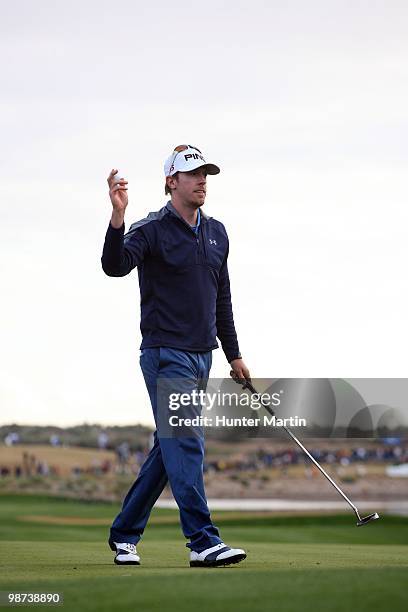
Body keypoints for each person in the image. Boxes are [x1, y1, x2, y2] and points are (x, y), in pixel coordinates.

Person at [101, 144, 251, 568]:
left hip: (203, 356)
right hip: (167, 355)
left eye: (206, 174)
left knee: (169, 450)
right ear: (172, 181)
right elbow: (114, 266)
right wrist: (117, 218)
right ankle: (203, 541)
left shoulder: (217, 231)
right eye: (194, 174)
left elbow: (222, 299)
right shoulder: (150, 230)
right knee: (186, 441)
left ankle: (125, 534)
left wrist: (234, 354)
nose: (203, 180)